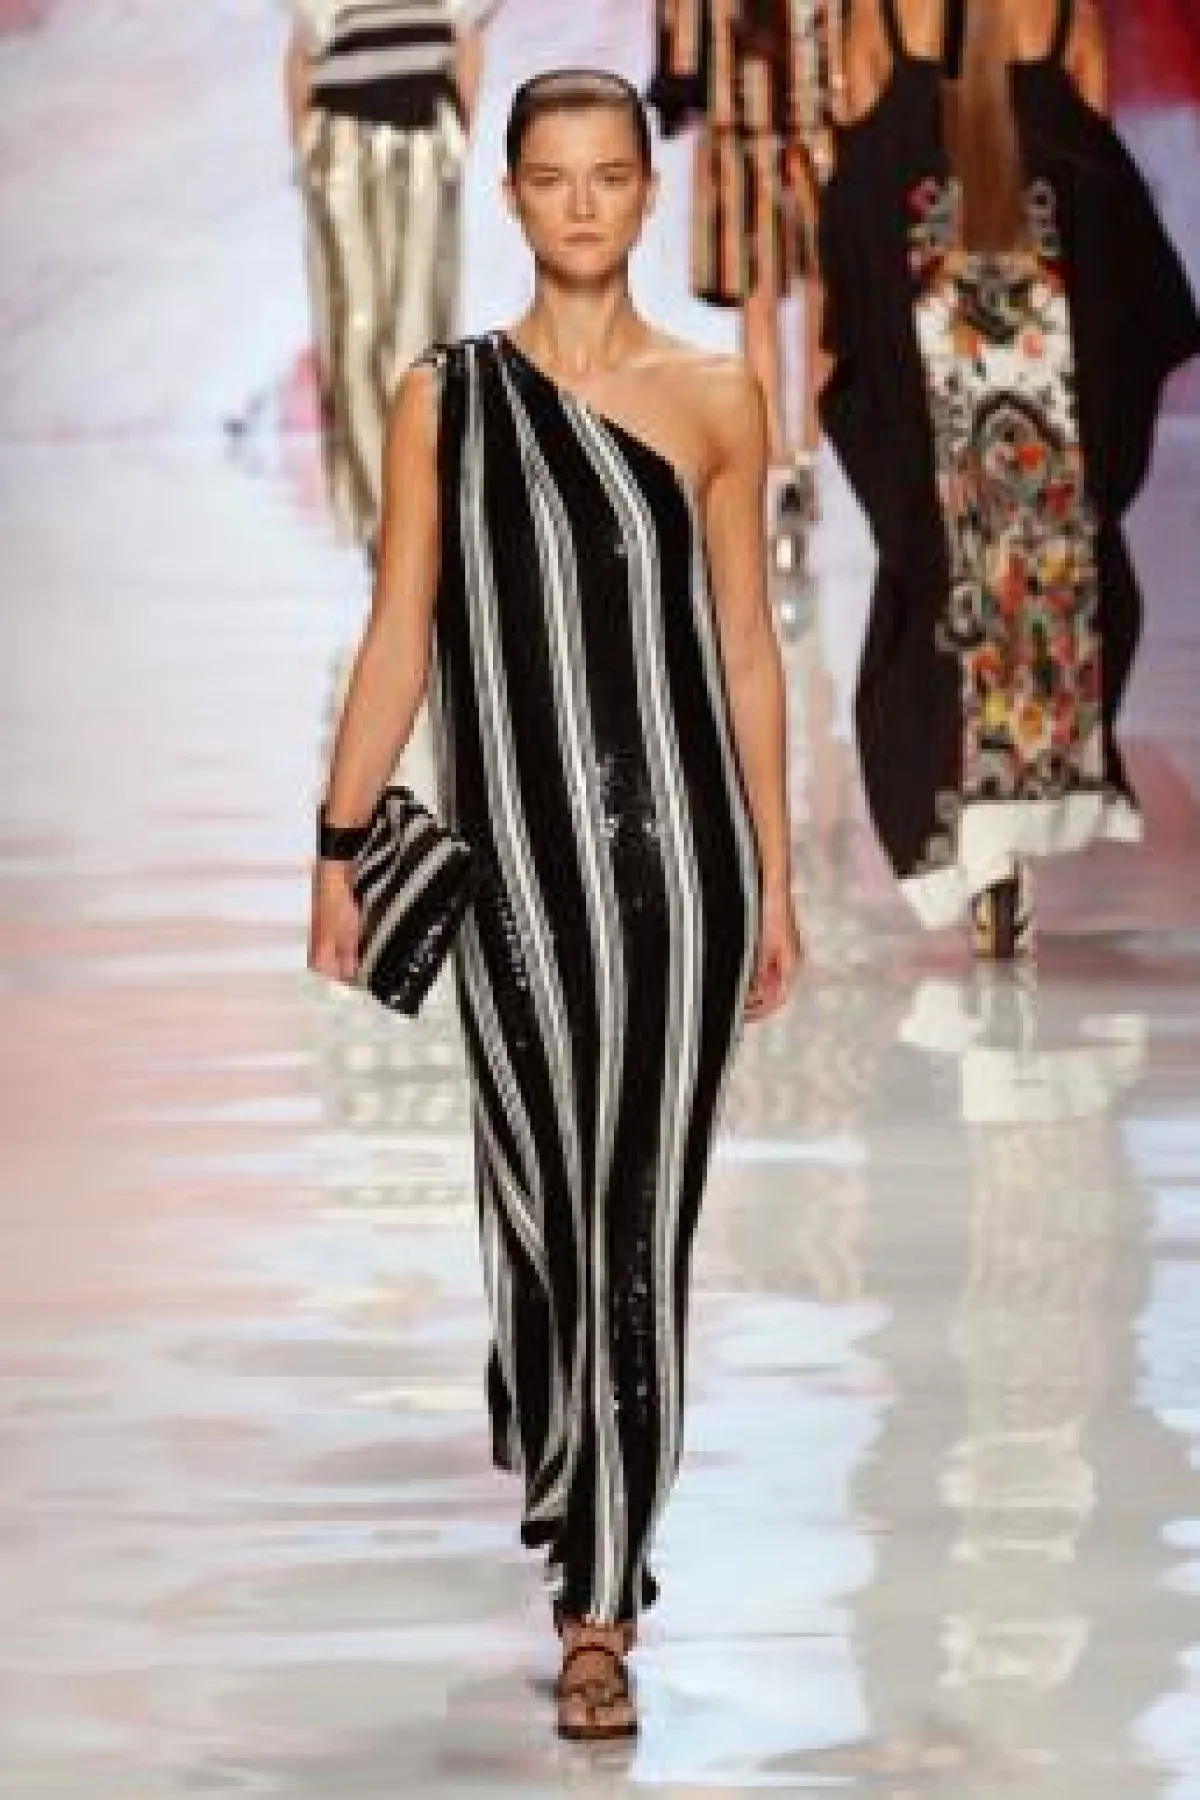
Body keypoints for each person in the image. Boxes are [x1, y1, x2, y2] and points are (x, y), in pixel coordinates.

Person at [308, 70, 802, 1739]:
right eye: (551, 177)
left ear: (647, 196)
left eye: (608, 176)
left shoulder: (719, 397)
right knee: (540, 1204)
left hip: (681, 872)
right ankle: (562, 1444)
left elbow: (746, 653)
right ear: (511, 195)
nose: (582, 203)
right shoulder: (442, 399)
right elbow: (401, 627)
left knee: (635, 1227)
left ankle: (601, 1604)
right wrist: (336, 844)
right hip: (510, 877)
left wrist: (778, 878)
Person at [820, 0, 1200, 957]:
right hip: (1043, 310)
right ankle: (1016, 817)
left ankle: (977, 841)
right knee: (1041, 579)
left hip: (925, 302)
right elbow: (1095, 151)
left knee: (939, 571)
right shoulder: (1060, 8)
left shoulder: (877, 11)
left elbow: (857, 143)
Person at [285, 0, 494, 560]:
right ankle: (377, 518)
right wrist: (308, 149)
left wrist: (456, 141)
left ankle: (418, 511)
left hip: (423, 139)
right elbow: (303, 49)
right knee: (353, 333)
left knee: (418, 333)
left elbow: (466, 37)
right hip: (340, 144)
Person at [647, 0, 844, 567]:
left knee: (770, 299)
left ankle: (785, 465)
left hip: (748, 121)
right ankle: (801, 459)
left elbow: (683, 24)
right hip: (808, 121)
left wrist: (681, 77)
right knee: (819, 294)